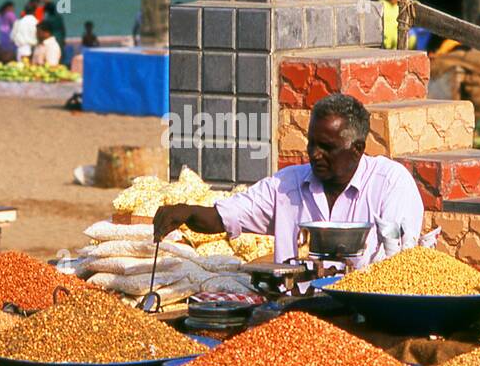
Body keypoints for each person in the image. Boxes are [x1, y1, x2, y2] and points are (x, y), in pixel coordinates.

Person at [152, 93, 424, 267]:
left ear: (357, 149)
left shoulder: (390, 183)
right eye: (311, 144)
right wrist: (186, 212)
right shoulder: (287, 185)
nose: (314, 154)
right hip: (295, 313)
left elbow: (400, 265)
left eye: (327, 147)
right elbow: (224, 216)